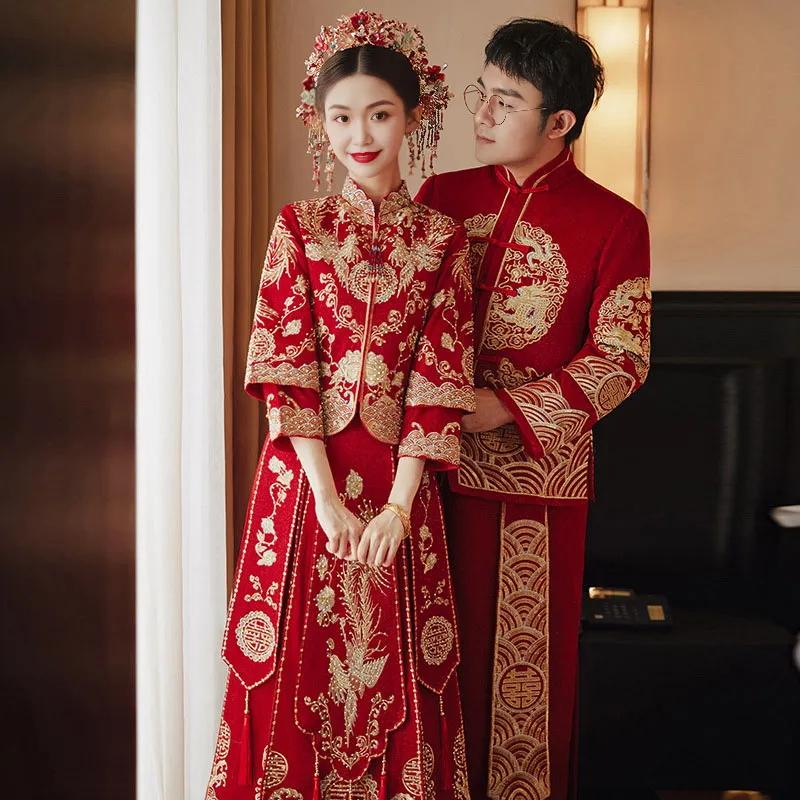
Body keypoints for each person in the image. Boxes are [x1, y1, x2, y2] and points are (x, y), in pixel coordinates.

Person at [206, 10, 475, 800]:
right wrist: (325, 499)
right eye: (342, 116)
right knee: (294, 669)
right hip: (305, 483)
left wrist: (397, 508)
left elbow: (441, 378)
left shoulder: (442, 239)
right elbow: (285, 370)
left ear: (412, 118)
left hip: (402, 486)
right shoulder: (298, 228)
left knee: (399, 673)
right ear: (318, 122)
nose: (361, 134)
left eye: (380, 114)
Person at [416, 18, 652, 800]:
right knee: (421, 670)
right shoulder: (440, 197)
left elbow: (624, 358)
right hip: (423, 476)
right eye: (480, 93)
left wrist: (507, 409)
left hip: (536, 490)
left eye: (504, 101)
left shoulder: (616, 223)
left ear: (560, 122)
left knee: (521, 689)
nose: (480, 115)